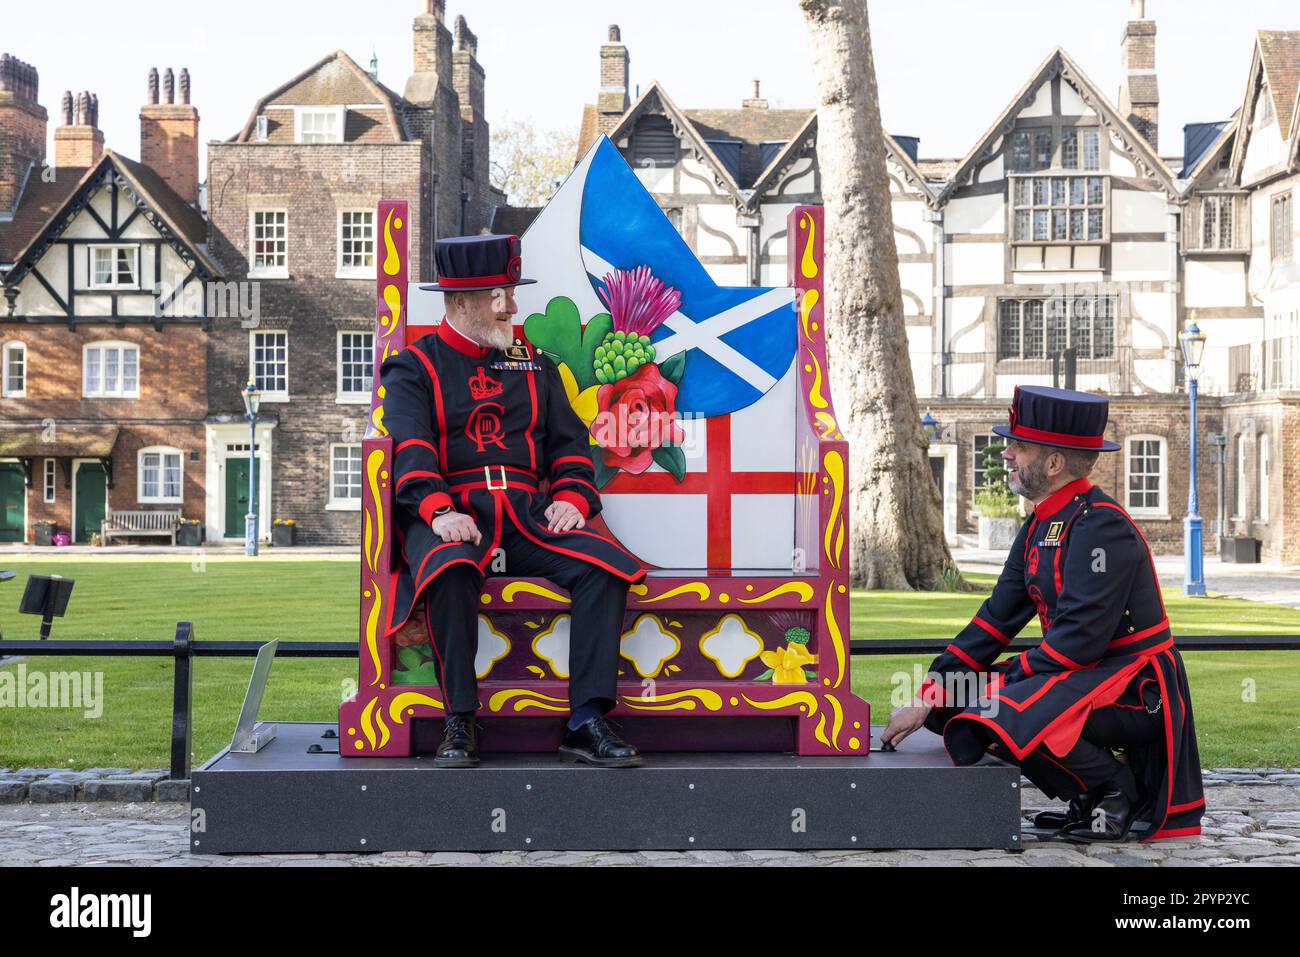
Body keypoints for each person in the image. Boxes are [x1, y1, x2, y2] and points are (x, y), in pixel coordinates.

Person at [881, 385, 1203, 842]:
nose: (1007, 453)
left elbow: (1079, 642)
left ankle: (1115, 791)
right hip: (1082, 675)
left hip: (1133, 689)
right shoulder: (1040, 524)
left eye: (1019, 446)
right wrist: (931, 691)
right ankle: (1089, 797)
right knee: (957, 699)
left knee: (997, 705)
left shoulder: (1101, 526)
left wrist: (1003, 679)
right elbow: (995, 620)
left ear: (1054, 464)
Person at [380, 234, 648, 768]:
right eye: (499, 294)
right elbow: (410, 453)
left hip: (526, 518)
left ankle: (586, 721)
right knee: (450, 569)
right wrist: (438, 511)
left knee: (605, 568)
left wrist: (573, 495)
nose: (512, 305)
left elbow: (571, 446)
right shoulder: (413, 366)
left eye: (510, 291)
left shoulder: (535, 363)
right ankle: (459, 718)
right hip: (454, 516)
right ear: (459, 302)